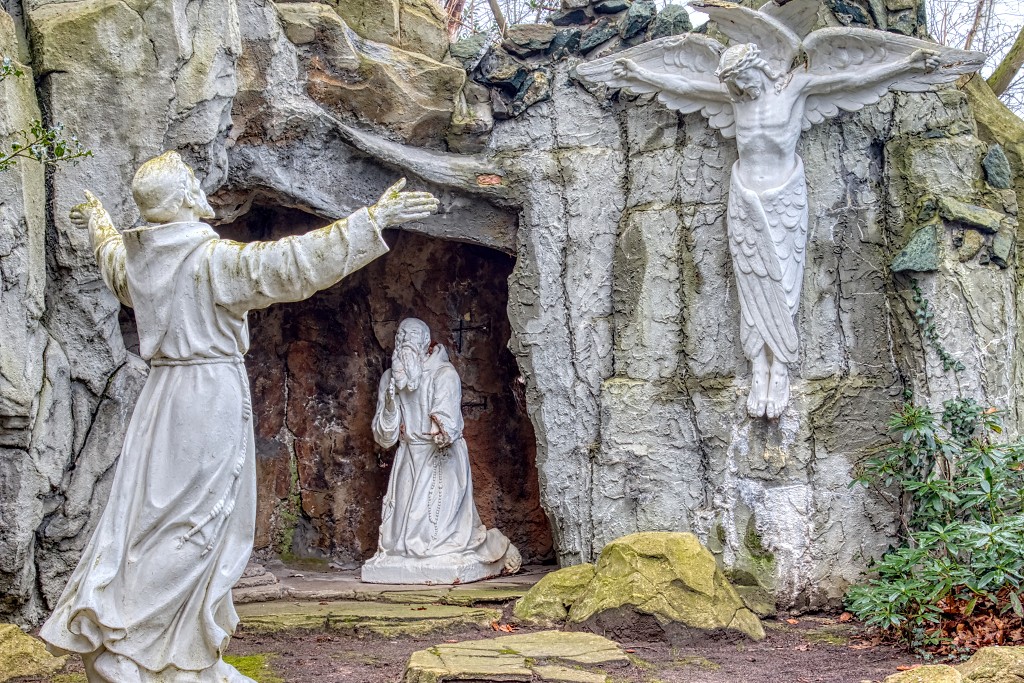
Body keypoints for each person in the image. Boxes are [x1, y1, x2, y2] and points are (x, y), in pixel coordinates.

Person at [39, 151, 438, 682]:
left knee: (150, 521)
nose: (198, 186)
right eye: (189, 181)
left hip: (161, 399)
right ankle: (140, 645)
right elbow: (290, 265)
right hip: (206, 399)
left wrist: (100, 224)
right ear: (183, 198)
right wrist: (371, 221)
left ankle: (151, 644)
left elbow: (114, 260)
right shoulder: (209, 262)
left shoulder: (145, 259)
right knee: (196, 524)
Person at [576, 1, 981, 418]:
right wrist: (637, 73)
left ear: (759, 68)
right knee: (752, 287)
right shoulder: (735, 98)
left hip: (785, 197)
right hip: (745, 196)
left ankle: (779, 370)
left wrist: (906, 65)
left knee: (784, 284)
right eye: (732, 85)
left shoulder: (796, 88)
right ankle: (758, 369)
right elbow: (682, 86)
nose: (738, 91)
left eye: (742, 81)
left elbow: (854, 76)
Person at [363, 317, 521, 584]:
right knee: (397, 540)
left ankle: (492, 549)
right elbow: (384, 436)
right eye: (401, 338)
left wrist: (441, 427)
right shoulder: (391, 379)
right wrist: (390, 401)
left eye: (412, 339)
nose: (405, 344)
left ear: (425, 343)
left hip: (441, 460)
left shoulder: (443, 374)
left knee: (436, 535)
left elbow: (449, 422)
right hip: (409, 456)